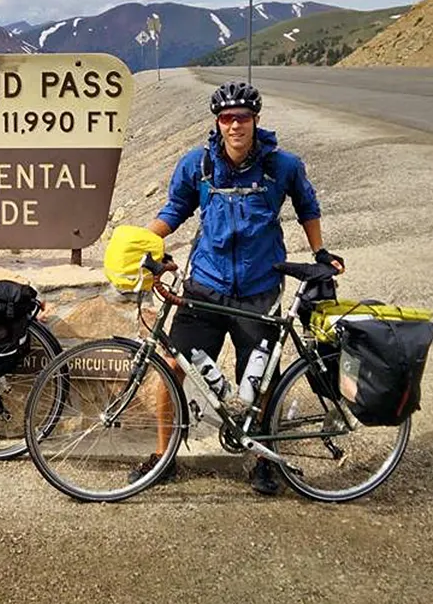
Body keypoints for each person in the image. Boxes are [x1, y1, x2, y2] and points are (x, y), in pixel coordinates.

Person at [135, 80, 344, 495]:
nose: (235, 126)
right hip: (206, 287)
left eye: (242, 118)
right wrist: (143, 243)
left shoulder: (283, 166)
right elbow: (175, 209)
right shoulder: (198, 165)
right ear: (218, 122)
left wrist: (320, 251)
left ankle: (263, 461)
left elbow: (308, 206)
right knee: (173, 368)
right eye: (227, 118)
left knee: (262, 381)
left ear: (255, 121)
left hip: (259, 288)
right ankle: (164, 456)